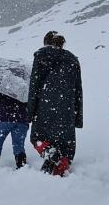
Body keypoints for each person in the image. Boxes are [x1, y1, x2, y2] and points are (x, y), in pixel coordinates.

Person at [27, 31, 83, 176]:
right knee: (65, 145)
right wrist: (77, 116)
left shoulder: (41, 56)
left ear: (46, 42)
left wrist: (30, 112)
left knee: (37, 138)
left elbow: (34, 86)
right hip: (68, 107)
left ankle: (52, 156)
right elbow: (78, 89)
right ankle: (59, 171)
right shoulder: (72, 59)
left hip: (44, 106)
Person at [0, 90, 29, 169]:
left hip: (3, 117)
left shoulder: (3, 85)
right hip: (21, 119)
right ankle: (22, 167)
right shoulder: (26, 87)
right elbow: (31, 104)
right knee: (19, 146)